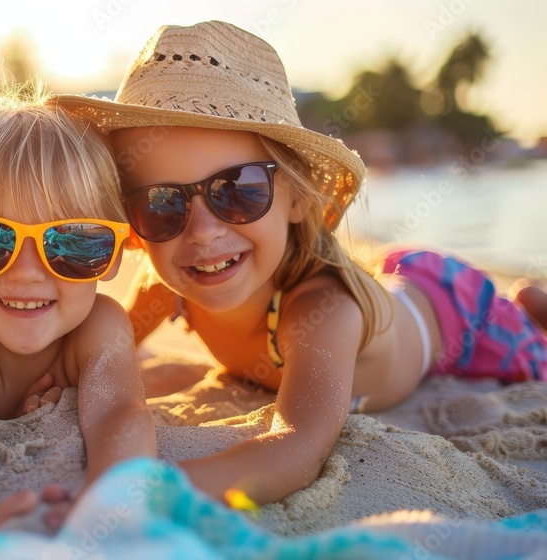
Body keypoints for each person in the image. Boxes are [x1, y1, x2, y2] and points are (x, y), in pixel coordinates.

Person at [57, 20, 547, 505]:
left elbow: (295, 448)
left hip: (455, 312)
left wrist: (139, 495)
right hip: (396, 282)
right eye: (161, 204)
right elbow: (85, 363)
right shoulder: (166, 283)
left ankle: (531, 303)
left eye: (239, 190)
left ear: (296, 198)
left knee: (532, 328)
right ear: (133, 226)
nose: (203, 233)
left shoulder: (321, 311)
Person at [0, 89, 157, 539]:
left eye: (72, 241)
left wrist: (106, 524)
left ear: (114, 254)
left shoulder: (99, 324)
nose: (25, 274)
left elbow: (118, 415)